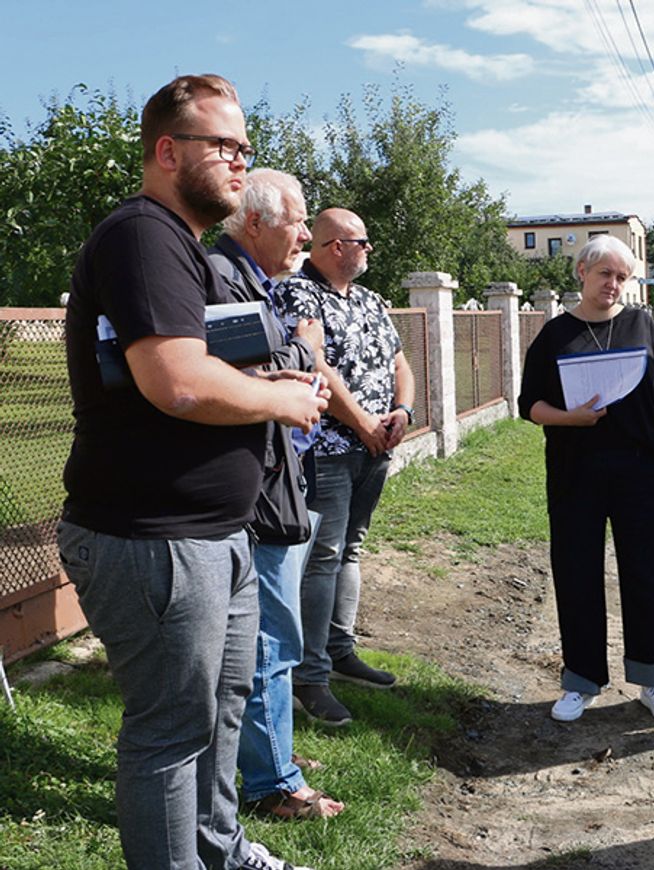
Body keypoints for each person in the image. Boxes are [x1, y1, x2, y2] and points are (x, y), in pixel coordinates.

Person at [56, 74, 325, 870]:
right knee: (171, 733)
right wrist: (280, 404)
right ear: (169, 151)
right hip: (153, 538)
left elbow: (206, 363)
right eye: (225, 147)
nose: (241, 163)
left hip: (215, 534)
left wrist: (264, 385)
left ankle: (220, 846)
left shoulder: (182, 244)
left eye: (247, 148)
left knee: (221, 710)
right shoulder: (142, 235)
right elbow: (175, 381)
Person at [208, 168, 344, 819]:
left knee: (277, 635)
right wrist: (301, 352)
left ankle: (273, 751)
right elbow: (241, 376)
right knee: (267, 638)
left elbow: (274, 371)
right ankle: (271, 784)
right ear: (255, 222)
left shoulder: (257, 281)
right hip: (253, 494)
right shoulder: (221, 277)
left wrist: (297, 363)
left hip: (272, 483)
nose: (304, 235)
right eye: (296, 220)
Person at [518, 235, 654, 724]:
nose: (612, 284)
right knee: (576, 572)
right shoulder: (554, 335)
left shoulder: (643, 326)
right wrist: (571, 418)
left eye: (621, 276)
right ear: (582, 274)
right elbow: (529, 405)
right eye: (604, 274)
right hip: (576, 471)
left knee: (651, 574)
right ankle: (581, 680)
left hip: (642, 470)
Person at [279, 208, 415, 727]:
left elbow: (398, 361)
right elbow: (316, 367)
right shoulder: (299, 294)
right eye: (363, 242)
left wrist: (402, 412)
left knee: (350, 548)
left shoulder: (369, 300)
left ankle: (340, 651)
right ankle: (308, 677)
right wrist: (361, 423)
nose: (369, 250)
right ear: (336, 246)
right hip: (327, 448)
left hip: (375, 447)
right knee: (322, 555)